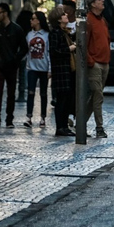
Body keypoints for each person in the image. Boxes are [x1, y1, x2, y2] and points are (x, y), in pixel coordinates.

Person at [0, 2, 27, 128]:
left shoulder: (16, 29)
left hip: (11, 66)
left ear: (5, 13)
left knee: (11, 93)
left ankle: (9, 119)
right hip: (0, 66)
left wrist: (16, 59)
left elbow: (24, 47)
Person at [85, 0, 111, 138]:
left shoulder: (102, 20)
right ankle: (99, 127)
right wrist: (91, 62)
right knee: (98, 95)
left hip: (104, 62)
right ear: (93, 3)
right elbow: (84, 43)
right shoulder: (88, 21)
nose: (102, 2)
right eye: (100, 0)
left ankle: (80, 123)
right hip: (95, 63)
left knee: (95, 96)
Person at [47, 7, 76, 136]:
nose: (66, 15)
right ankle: (60, 127)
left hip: (67, 70)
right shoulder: (55, 33)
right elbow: (54, 52)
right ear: (59, 19)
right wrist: (69, 48)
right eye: (64, 14)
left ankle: (64, 126)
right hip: (60, 71)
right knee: (61, 100)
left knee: (67, 99)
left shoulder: (65, 32)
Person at [24, 11, 50, 129]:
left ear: (38, 20)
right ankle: (29, 117)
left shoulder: (46, 35)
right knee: (30, 92)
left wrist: (50, 68)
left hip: (44, 68)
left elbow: (48, 52)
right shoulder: (29, 35)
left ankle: (43, 117)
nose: (31, 21)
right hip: (32, 68)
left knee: (43, 93)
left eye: (33, 19)